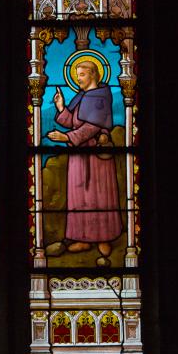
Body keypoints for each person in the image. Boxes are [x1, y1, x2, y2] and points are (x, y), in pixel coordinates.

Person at [47, 59, 122, 262]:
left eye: (81, 74)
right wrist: (61, 107)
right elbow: (73, 122)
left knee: (98, 196)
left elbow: (92, 128)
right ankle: (84, 237)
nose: (77, 78)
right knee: (78, 194)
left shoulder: (100, 97)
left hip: (96, 157)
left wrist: (66, 137)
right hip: (79, 154)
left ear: (94, 75)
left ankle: (103, 239)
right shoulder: (82, 96)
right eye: (76, 75)